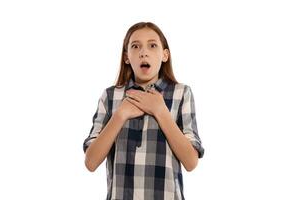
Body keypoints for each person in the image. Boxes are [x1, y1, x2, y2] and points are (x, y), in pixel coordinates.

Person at [83, 22, 204, 200]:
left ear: (165, 55)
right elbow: (91, 162)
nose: (143, 52)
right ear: (126, 56)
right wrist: (120, 115)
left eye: (152, 45)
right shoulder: (110, 96)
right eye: (135, 46)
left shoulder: (181, 93)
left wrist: (160, 111)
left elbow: (191, 162)